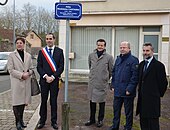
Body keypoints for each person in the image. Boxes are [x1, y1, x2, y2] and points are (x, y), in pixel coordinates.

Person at [136, 42, 168, 130]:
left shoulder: (159, 66)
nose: (145, 52)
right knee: (143, 124)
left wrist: (157, 94)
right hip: (142, 100)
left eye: (147, 51)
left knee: (153, 125)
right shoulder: (141, 65)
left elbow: (163, 83)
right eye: (144, 50)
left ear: (152, 51)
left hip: (153, 100)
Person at [108, 41, 139, 130]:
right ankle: (115, 126)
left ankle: (128, 127)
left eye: (124, 47)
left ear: (129, 48)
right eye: (121, 47)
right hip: (117, 90)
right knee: (116, 110)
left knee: (128, 112)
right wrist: (112, 85)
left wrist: (129, 89)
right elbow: (113, 72)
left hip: (127, 92)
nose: (122, 49)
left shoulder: (134, 60)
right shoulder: (118, 59)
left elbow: (135, 76)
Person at [37, 33, 64, 129]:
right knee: (43, 101)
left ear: (54, 39)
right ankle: (42, 121)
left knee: (53, 101)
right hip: (44, 81)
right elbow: (39, 66)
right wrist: (45, 76)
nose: (49, 40)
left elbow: (61, 67)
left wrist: (53, 76)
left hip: (54, 81)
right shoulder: (42, 52)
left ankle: (54, 121)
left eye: (50, 39)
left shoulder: (59, 51)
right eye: (47, 39)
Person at [85, 39, 114, 128]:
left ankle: (100, 120)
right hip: (92, 83)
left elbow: (111, 70)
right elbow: (90, 66)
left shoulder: (109, 57)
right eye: (98, 45)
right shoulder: (91, 55)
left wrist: (105, 79)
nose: (100, 47)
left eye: (101, 45)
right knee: (92, 102)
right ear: (96, 45)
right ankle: (92, 119)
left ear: (104, 46)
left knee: (101, 103)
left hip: (102, 83)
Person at [7, 37, 33, 130]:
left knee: (22, 103)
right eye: (17, 43)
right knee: (16, 103)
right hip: (17, 82)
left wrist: (28, 73)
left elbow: (32, 68)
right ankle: (17, 122)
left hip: (26, 83)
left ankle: (21, 120)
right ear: (15, 44)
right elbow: (10, 69)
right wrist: (21, 75)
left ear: (24, 44)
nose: (19, 44)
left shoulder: (28, 55)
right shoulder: (11, 55)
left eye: (21, 43)